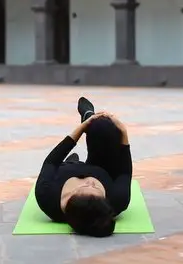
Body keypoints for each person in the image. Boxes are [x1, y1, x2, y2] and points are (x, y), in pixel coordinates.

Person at [35, 97, 132, 237]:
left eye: (87, 187)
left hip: (66, 168)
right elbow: (124, 173)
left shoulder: (47, 196)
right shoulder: (117, 200)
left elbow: (51, 162)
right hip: (99, 167)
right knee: (104, 126)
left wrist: (82, 128)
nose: (92, 182)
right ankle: (92, 119)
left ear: (71, 199)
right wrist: (123, 132)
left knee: (93, 125)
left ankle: (87, 120)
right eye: (97, 190)